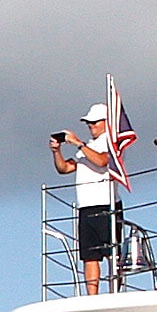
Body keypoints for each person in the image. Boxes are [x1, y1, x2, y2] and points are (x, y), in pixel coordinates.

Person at [52, 103, 127, 291]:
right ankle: (91, 295)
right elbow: (65, 168)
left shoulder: (112, 142)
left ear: (105, 122)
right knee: (89, 255)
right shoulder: (88, 147)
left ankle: (114, 292)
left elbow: (102, 161)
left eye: (94, 122)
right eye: (89, 123)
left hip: (106, 204)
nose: (91, 126)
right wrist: (57, 151)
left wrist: (79, 143)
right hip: (86, 206)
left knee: (112, 252)